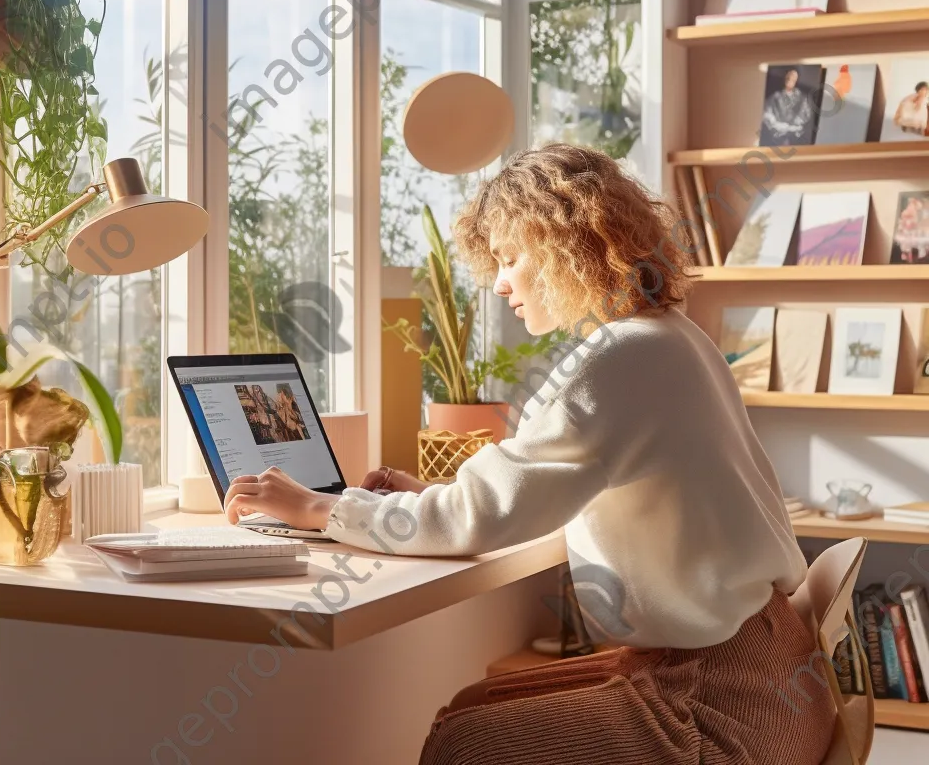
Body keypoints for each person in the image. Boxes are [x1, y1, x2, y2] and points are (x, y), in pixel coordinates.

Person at [223, 144, 835, 764]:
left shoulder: (619, 358)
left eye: (511, 257)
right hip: (766, 670)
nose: (499, 282)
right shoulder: (672, 336)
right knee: (467, 712)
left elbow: (486, 512)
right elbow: (531, 489)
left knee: (464, 744)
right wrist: (430, 502)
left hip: (722, 706)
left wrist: (322, 509)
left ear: (561, 247)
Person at [761, 66, 815, 144]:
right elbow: (767, 114)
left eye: (793, 77)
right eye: (788, 76)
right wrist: (779, 126)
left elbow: (805, 117)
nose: (790, 79)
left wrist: (792, 128)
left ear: (797, 79)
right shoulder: (775, 97)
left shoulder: (803, 99)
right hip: (776, 136)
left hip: (794, 137)